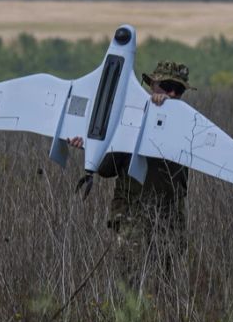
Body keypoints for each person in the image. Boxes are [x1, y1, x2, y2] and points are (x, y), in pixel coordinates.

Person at [68, 61, 195, 288]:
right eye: (166, 86)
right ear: (152, 86)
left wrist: (164, 118)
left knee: (165, 283)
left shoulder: (188, 123)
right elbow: (107, 169)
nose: (172, 94)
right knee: (131, 280)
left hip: (169, 214)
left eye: (179, 90)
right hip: (132, 210)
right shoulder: (132, 116)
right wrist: (90, 148)